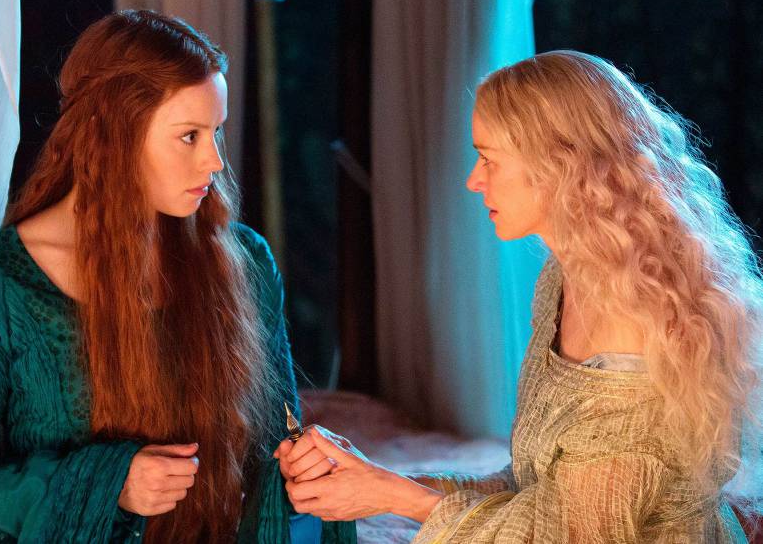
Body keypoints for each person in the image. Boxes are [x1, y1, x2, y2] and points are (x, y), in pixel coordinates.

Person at [275, 50, 763, 542]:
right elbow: (536, 485)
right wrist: (377, 479)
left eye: (489, 159)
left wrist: (394, 497)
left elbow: (572, 532)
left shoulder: (631, 325)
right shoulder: (565, 277)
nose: (473, 180)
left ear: (558, 166)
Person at [0, 10, 355, 544]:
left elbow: (277, 437)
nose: (215, 161)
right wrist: (110, 484)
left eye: (216, 132)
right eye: (189, 136)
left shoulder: (245, 261)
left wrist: (307, 461)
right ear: (115, 136)